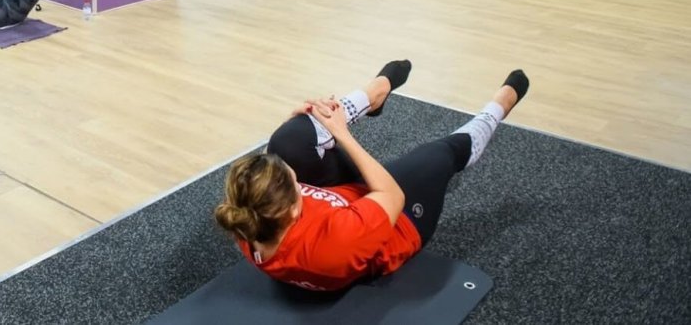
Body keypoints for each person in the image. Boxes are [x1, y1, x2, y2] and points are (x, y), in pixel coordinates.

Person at [214, 61, 530, 292]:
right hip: (400, 220)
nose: (298, 180)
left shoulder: (249, 216)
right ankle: (498, 109)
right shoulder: (333, 245)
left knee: (288, 139)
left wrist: (300, 122)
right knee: (440, 154)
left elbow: (274, 162)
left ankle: (373, 94)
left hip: (347, 201)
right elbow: (391, 196)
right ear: (294, 209)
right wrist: (342, 136)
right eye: (296, 182)